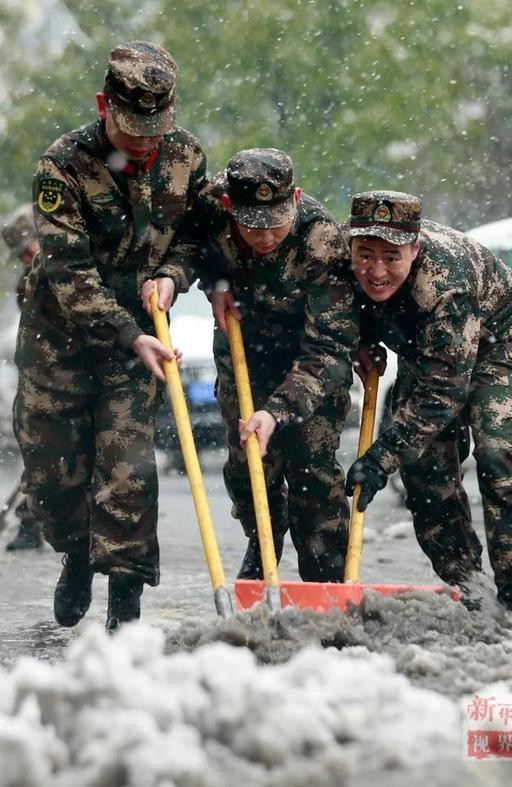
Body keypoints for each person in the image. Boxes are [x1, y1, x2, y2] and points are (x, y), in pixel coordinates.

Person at [13, 41, 206, 631]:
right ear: (104, 105)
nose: (146, 142)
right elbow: (67, 269)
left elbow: (196, 238)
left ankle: (126, 597)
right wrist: (128, 333)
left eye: (157, 127)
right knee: (53, 479)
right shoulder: (63, 165)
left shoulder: (186, 157)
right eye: (132, 128)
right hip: (60, 342)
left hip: (138, 346)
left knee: (129, 472)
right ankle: (75, 553)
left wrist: (172, 279)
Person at [346, 190, 512, 631]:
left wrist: (380, 457)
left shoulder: (444, 282)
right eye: (366, 255)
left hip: (499, 344)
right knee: (423, 471)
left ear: (414, 250)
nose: (376, 271)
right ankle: (470, 586)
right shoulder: (340, 261)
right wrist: (358, 337)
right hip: (429, 353)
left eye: (391, 258)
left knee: (496, 452)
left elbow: (442, 394)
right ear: (351, 245)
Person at [186, 148, 358, 581]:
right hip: (243, 344)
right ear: (229, 207)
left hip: (311, 356)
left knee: (312, 472)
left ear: (295, 199)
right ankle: (264, 536)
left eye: (276, 223)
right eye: (252, 226)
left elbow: (328, 349)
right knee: (248, 467)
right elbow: (187, 241)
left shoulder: (322, 243)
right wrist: (216, 283)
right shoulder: (209, 204)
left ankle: (324, 574)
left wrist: (277, 411)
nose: (265, 238)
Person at [1, 204, 43, 550]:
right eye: (23, 255)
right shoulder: (27, 285)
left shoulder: (84, 265)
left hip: (94, 369)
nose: (27, 259)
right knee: (42, 446)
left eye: (30, 250)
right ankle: (30, 519)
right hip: (48, 376)